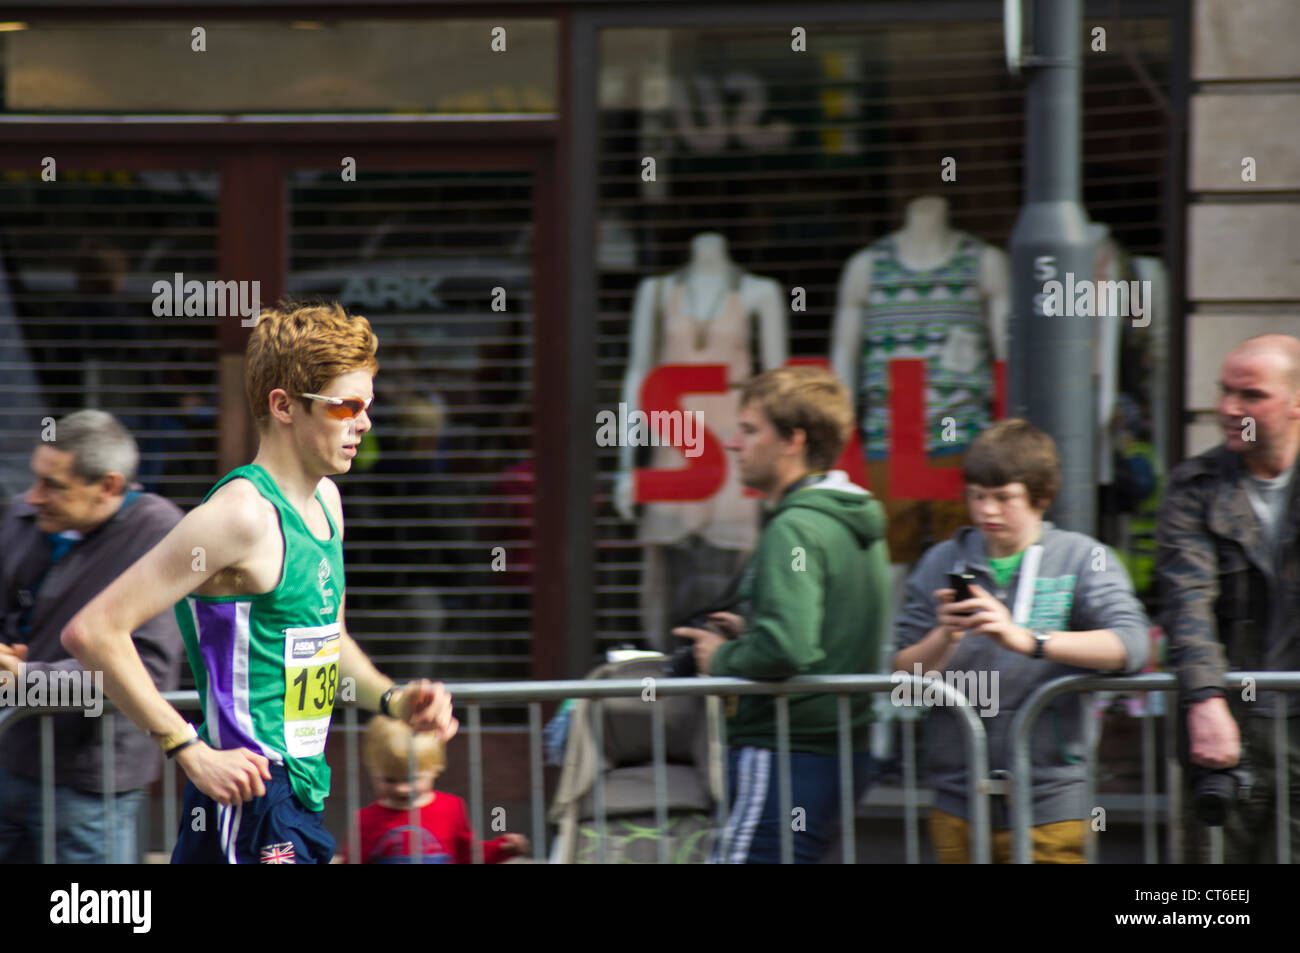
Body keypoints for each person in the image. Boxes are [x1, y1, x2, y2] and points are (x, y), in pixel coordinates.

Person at [60, 301, 458, 864]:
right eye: (347, 406)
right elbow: (94, 631)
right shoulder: (239, 515)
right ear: (284, 406)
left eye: (367, 406)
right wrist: (189, 749)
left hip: (301, 793)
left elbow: (327, 638)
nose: (365, 423)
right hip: (244, 796)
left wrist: (391, 699)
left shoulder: (328, 501)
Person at [894, 419, 1149, 863]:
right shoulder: (941, 561)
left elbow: (1132, 646)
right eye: (976, 495)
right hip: (958, 796)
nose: (986, 511)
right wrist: (944, 636)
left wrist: (1027, 639)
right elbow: (901, 678)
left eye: (1003, 497)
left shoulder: (1080, 556)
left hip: (1052, 800)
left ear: (1042, 497)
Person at [675, 365, 890, 864]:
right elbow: (819, 631)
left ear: (793, 440)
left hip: (786, 751)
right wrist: (751, 632)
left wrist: (722, 657)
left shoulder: (794, 528)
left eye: (749, 430)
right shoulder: (851, 517)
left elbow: (791, 647)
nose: (732, 443)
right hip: (838, 750)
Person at [0, 410, 185, 863]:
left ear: (108, 486)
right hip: (10, 758)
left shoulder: (161, 536)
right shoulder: (27, 516)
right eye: (36, 479)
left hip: (88, 784)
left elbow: (143, 675)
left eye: (54, 486)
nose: (33, 497)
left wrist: (25, 679)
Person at [1157, 333, 1300, 863]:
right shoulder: (1195, 485)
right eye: (1224, 392)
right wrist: (1206, 701)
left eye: (1251, 396)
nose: (1227, 408)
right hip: (1226, 728)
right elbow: (1185, 597)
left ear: (1295, 403)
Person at [344, 715, 528, 864]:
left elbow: (468, 856)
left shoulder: (451, 808)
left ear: (436, 768)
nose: (402, 789)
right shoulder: (363, 821)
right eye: (389, 780)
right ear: (372, 772)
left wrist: (500, 849)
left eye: (412, 779)